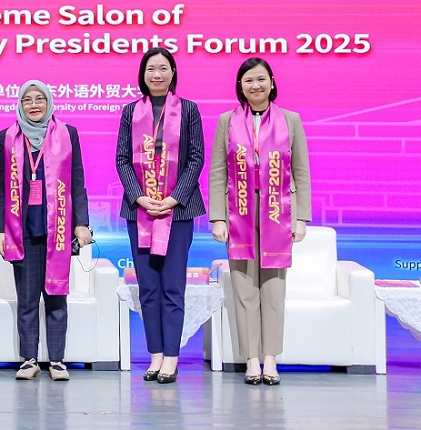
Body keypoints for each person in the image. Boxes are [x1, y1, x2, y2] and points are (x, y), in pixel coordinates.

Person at [209, 57, 311, 386]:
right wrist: (218, 217)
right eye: (248, 80)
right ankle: (251, 359)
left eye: (261, 79)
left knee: (274, 290)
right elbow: (218, 172)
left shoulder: (291, 120)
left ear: (271, 82)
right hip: (239, 212)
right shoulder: (227, 121)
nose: (255, 85)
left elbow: (301, 172)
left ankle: (271, 359)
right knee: (244, 290)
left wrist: (301, 217)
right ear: (240, 86)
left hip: (277, 213)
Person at [115, 47, 206, 384]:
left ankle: (171, 357)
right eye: (151, 69)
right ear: (143, 75)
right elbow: (122, 159)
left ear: (173, 73)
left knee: (172, 286)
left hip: (177, 212)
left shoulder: (189, 110)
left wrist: (173, 198)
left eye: (163, 68)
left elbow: (196, 158)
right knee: (148, 287)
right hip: (139, 210)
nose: (157, 74)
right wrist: (139, 197)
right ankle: (155, 355)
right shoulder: (130, 111)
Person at [0, 80, 92, 381]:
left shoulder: (68, 134)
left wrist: (81, 223)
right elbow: (0, 187)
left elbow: (77, 181)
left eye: (39, 99)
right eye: (27, 100)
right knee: (26, 299)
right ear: (19, 105)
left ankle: (57, 360)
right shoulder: (7, 137)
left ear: (49, 102)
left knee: (56, 295)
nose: (34, 104)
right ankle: (29, 359)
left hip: (58, 229)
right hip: (21, 230)